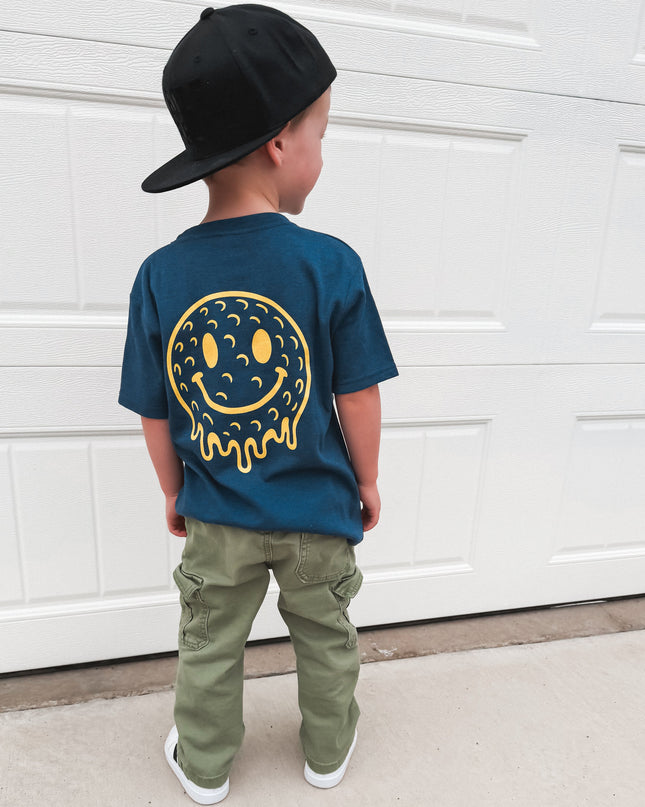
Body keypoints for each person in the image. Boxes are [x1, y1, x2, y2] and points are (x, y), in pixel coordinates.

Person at [119, 5, 398, 804]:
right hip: (317, 508)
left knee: (208, 640)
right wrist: (367, 478)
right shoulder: (330, 264)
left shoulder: (160, 276)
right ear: (282, 142)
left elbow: (156, 408)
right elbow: (357, 389)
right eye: (320, 133)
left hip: (218, 515)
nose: (321, 153)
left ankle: (204, 766)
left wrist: (174, 491)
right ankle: (326, 751)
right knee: (325, 633)